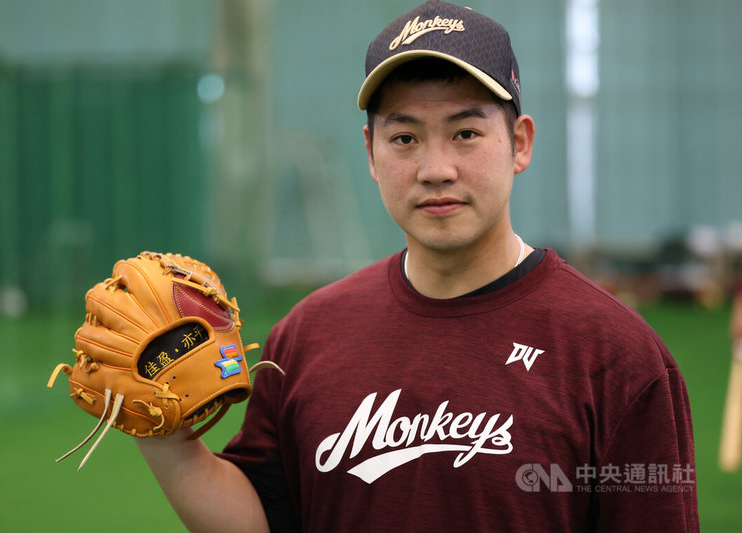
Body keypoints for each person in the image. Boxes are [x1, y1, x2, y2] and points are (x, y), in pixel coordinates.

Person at [137, 1, 699, 531]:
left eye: (466, 133)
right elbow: (263, 519)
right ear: (371, 154)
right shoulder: (307, 336)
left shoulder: (616, 356)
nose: (435, 168)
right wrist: (170, 444)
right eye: (404, 137)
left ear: (519, 144)